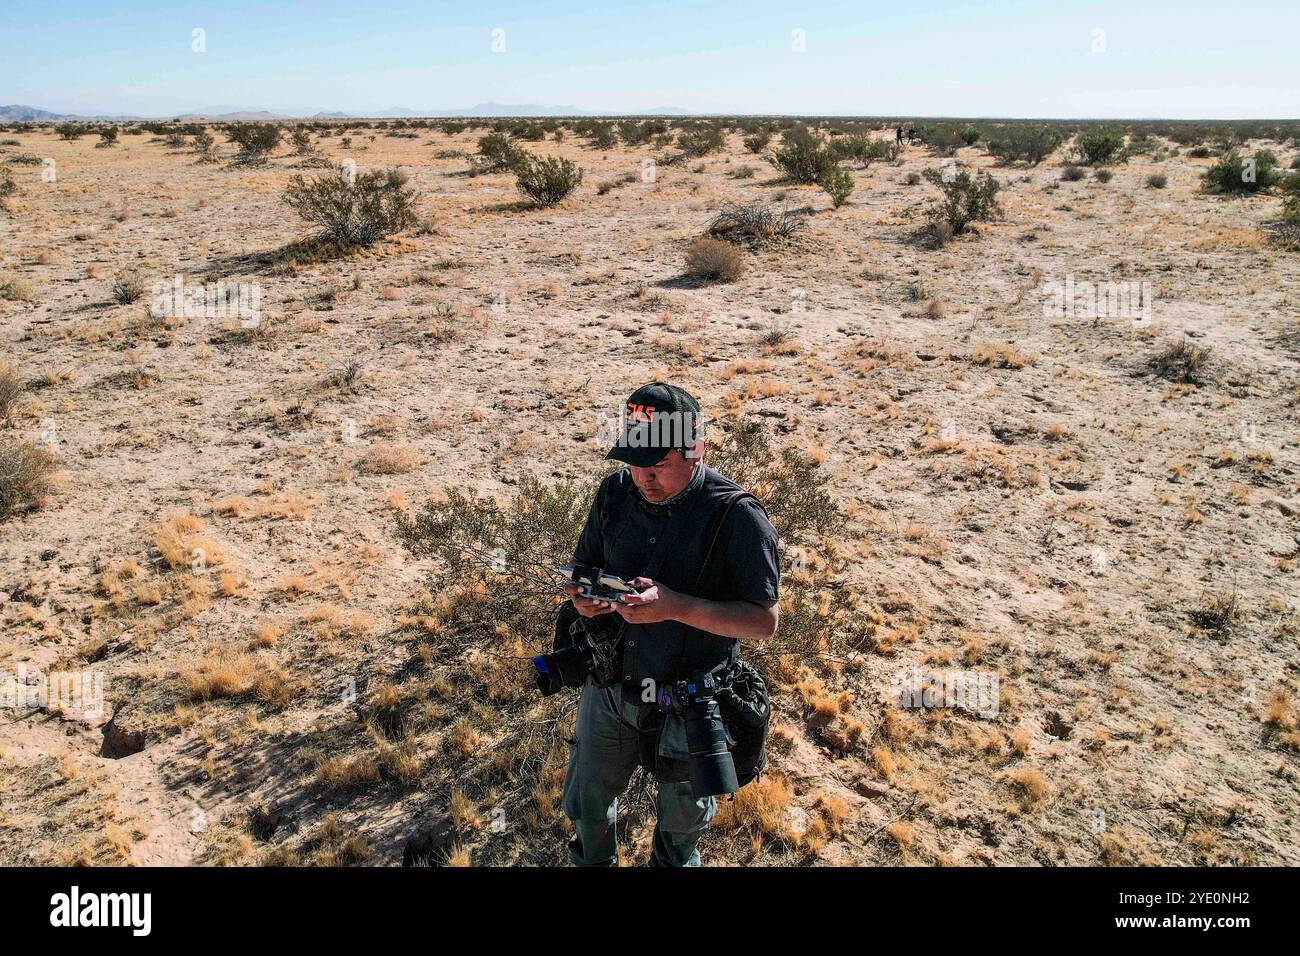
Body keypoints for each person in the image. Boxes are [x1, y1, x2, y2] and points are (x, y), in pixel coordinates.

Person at [561, 381, 781, 866]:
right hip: (611, 687)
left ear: (695, 449)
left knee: (681, 831)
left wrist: (676, 606)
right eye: (635, 462)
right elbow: (584, 570)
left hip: (690, 700)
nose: (643, 477)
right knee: (587, 806)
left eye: (658, 465)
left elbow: (764, 621)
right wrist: (585, 600)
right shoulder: (614, 494)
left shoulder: (737, 518)